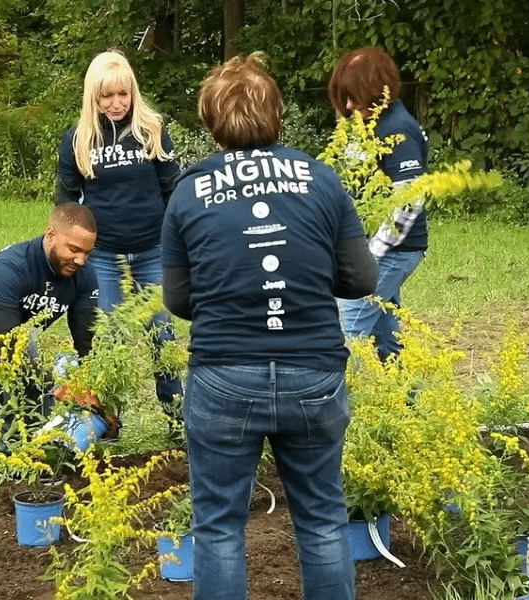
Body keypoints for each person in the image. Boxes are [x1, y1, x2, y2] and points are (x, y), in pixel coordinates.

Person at [162, 53, 378, 600]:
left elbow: (179, 300)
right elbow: (361, 279)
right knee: (325, 520)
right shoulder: (321, 180)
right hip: (313, 373)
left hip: (223, 377)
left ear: (210, 119)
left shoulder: (188, 191)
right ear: (278, 114)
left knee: (217, 527)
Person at [56, 49, 184, 431]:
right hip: (104, 256)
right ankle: (108, 420)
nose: (116, 103)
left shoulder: (152, 129)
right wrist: (69, 248)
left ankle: (178, 417)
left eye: (122, 94)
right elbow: (66, 201)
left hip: (152, 250)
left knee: (162, 332)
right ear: (92, 97)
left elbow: (173, 190)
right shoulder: (78, 139)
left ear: (133, 92)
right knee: (108, 338)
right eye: (106, 96)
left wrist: (178, 241)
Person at [0, 203, 99, 436]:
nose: (81, 260)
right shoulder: (7, 268)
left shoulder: (83, 274)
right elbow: (6, 345)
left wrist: (97, 393)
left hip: (19, 351)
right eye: (73, 249)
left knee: (66, 375)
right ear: (51, 234)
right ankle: (12, 446)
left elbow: (88, 343)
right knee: (26, 347)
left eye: (87, 252)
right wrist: (55, 388)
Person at [327, 47, 430, 361]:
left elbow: (408, 200)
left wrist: (370, 254)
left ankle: (333, 408)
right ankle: (406, 406)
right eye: (343, 97)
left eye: (354, 97)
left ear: (377, 92)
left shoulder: (397, 130)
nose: (348, 106)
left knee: (345, 333)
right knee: (386, 338)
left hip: (393, 250)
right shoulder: (368, 125)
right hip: (373, 247)